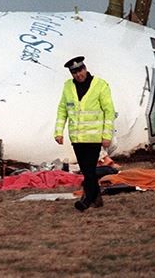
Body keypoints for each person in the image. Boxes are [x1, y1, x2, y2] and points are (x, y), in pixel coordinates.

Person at [54, 56, 115, 211]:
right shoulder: (68, 87)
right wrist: (58, 132)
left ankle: (86, 200)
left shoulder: (100, 85)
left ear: (85, 69)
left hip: (94, 137)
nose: (78, 75)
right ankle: (97, 198)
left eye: (80, 71)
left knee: (88, 171)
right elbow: (63, 110)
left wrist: (107, 136)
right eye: (74, 72)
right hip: (77, 137)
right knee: (87, 170)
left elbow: (109, 112)